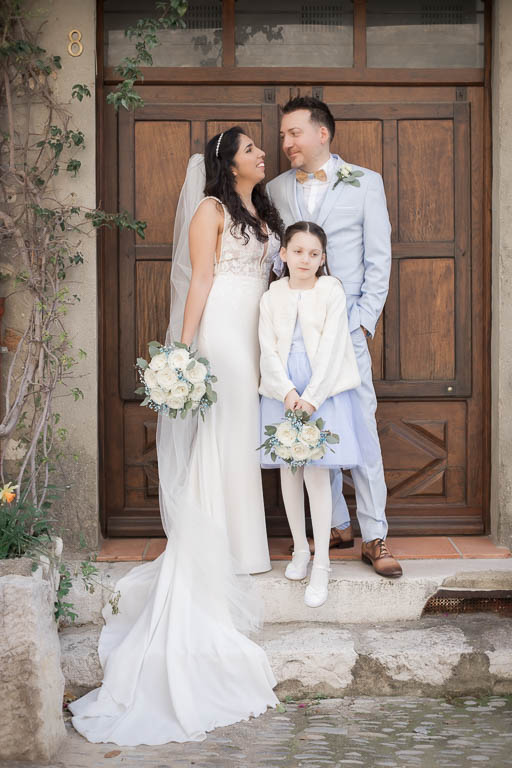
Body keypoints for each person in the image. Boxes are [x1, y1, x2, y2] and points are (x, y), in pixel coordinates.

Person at [69, 127, 283, 746]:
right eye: (250, 149)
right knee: (226, 432)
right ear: (228, 163)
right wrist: (184, 352)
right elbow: (200, 282)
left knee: (243, 435)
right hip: (222, 332)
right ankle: (225, 548)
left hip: (256, 328)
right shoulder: (211, 209)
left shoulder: (262, 209)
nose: (260, 154)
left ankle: (244, 544)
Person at [267, 96, 402, 579]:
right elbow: (274, 257)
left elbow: (379, 258)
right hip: (296, 337)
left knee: (360, 426)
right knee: (311, 424)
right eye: (283, 136)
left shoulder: (366, 183)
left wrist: (362, 321)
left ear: (321, 133)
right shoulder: (276, 188)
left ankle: (375, 533)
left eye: (294, 133)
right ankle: (336, 524)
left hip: (347, 332)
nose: (286, 143)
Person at [259, 221, 375, 607]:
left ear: (323, 258)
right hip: (283, 392)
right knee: (289, 471)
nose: (305, 259)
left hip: (320, 393)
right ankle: (299, 550)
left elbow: (333, 348)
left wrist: (310, 398)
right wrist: (286, 392)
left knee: (317, 472)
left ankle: (322, 562)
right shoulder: (272, 295)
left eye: (313, 253)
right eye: (297, 251)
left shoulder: (331, 290)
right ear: (283, 254)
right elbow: (267, 349)